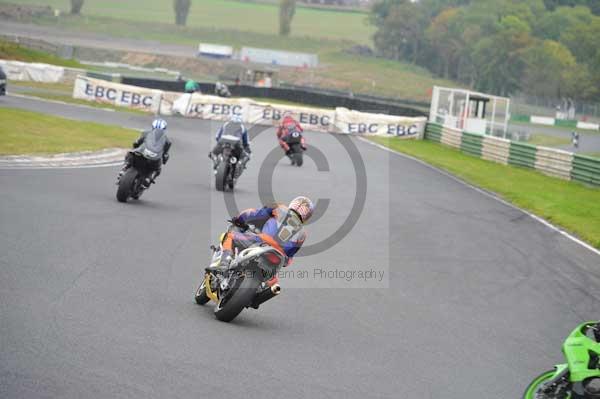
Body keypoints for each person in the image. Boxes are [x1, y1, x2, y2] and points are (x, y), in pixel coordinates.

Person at [208, 196, 314, 286]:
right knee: (272, 281)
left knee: (229, 236)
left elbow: (254, 213)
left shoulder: (280, 207)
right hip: (279, 256)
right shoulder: (303, 234)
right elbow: (289, 257)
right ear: (307, 216)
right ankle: (261, 290)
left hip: (262, 241)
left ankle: (223, 265)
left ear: (293, 203)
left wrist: (239, 219)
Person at [117, 118, 171, 188]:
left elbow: (136, 143)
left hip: (142, 153)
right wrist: (164, 159)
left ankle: (125, 167)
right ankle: (148, 178)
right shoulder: (167, 141)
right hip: (153, 158)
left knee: (131, 153)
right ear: (164, 129)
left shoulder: (145, 133)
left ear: (153, 127)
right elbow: (165, 154)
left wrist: (135, 146)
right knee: (158, 168)